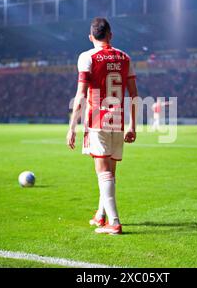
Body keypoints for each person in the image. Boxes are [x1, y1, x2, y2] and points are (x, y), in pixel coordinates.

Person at [66, 17, 138, 235]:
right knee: (110, 172)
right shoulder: (125, 57)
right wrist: (132, 125)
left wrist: (72, 126)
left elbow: (80, 95)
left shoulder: (87, 57)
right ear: (111, 35)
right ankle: (101, 215)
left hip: (97, 119)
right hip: (118, 120)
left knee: (102, 171)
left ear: (91, 37)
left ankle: (114, 222)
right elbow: (134, 94)